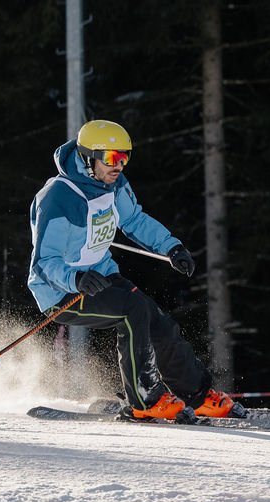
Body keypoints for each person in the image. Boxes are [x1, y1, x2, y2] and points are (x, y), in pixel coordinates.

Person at [27, 119, 236, 421]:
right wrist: (76, 278)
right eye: (111, 158)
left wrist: (171, 247)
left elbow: (134, 220)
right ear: (88, 157)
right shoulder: (58, 198)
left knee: (155, 319)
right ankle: (144, 400)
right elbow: (44, 261)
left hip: (102, 275)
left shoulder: (113, 183)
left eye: (124, 157)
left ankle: (198, 396)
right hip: (61, 291)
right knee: (132, 310)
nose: (119, 165)